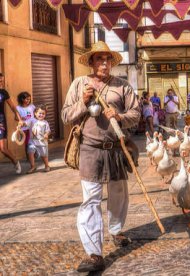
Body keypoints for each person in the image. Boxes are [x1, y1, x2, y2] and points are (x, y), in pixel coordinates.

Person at [61, 41, 140, 272]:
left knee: (118, 194)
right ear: (92, 62)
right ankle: (94, 253)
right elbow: (66, 116)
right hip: (89, 150)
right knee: (91, 200)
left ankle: (115, 230)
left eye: (107, 59)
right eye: (99, 59)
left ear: (111, 63)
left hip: (116, 148)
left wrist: (120, 116)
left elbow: (135, 114)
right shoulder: (79, 85)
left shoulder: (122, 86)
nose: (104, 63)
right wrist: (83, 103)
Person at [0, 72, 22, 174]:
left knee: (3, 149)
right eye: (0, 81)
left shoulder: (4, 92)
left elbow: (13, 107)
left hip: (1, 122)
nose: (1, 82)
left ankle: (15, 162)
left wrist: (19, 118)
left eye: (2, 81)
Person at [26, 104, 51, 173]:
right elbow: (26, 124)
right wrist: (22, 124)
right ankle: (33, 166)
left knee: (44, 155)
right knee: (30, 152)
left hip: (42, 142)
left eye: (43, 114)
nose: (41, 115)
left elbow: (48, 131)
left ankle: (46, 166)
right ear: (35, 113)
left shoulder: (45, 123)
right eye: (39, 113)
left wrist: (46, 134)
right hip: (32, 141)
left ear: (45, 115)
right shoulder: (32, 120)